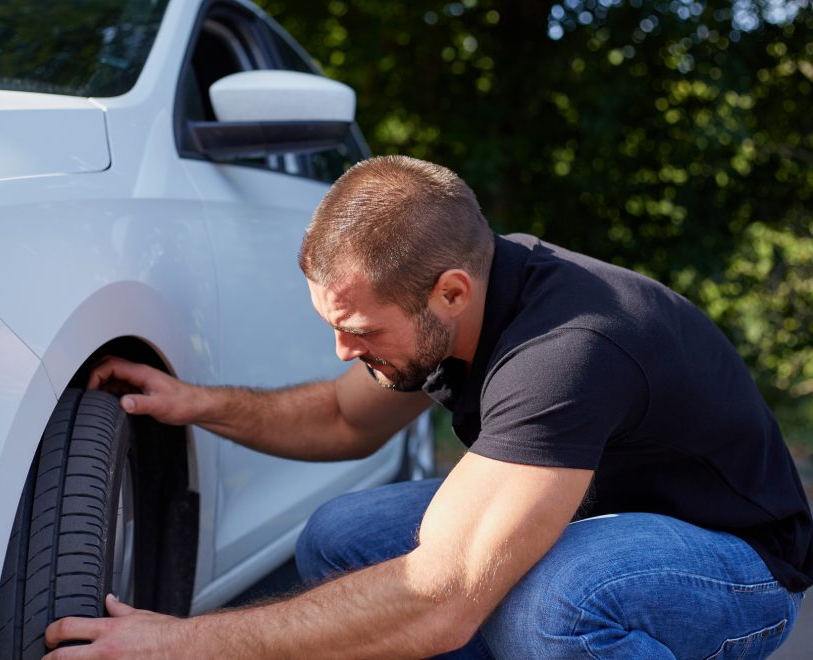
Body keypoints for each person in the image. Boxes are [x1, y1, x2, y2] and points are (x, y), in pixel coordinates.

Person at [44, 156, 811, 659]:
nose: (346, 351)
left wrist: (179, 645)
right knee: (342, 536)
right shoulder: (453, 312)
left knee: (557, 607)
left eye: (360, 331)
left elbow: (437, 600)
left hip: (735, 564)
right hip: (594, 512)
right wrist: (197, 401)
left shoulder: (570, 347)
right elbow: (344, 419)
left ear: (450, 292)